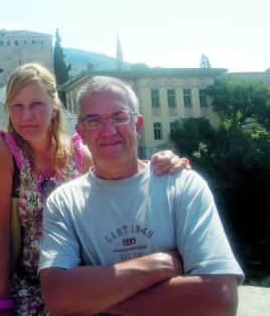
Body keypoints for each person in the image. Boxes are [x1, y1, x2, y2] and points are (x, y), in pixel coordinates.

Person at [0, 64, 188, 316]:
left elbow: (124, 174)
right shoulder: (3, 153)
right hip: (26, 284)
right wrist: (1, 301)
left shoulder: (79, 155)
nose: (26, 115)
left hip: (78, 280)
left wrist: (167, 162)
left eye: (36, 104)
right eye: (17, 106)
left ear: (54, 105)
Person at [39, 76, 244, 316]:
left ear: (137, 124)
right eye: (93, 121)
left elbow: (220, 299)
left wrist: (91, 297)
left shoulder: (183, 185)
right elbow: (57, 297)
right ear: (81, 132)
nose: (108, 131)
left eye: (119, 117)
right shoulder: (64, 203)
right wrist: (160, 265)